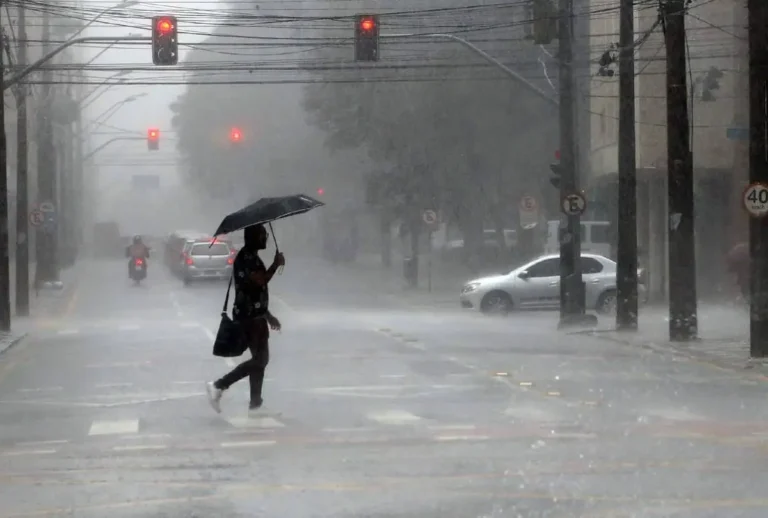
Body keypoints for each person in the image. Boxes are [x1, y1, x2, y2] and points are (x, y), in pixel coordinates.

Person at [206, 224, 285, 413]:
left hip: (256, 315)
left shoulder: (252, 256)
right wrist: (275, 264)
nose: (265, 238)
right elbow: (258, 281)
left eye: (265, 234)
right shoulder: (245, 258)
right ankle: (219, 385)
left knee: (260, 360)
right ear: (253, 237)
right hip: (248, 317)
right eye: (262, 235)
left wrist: (268, 315)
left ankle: (255, 403)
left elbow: (256, 291)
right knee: (260, 360)